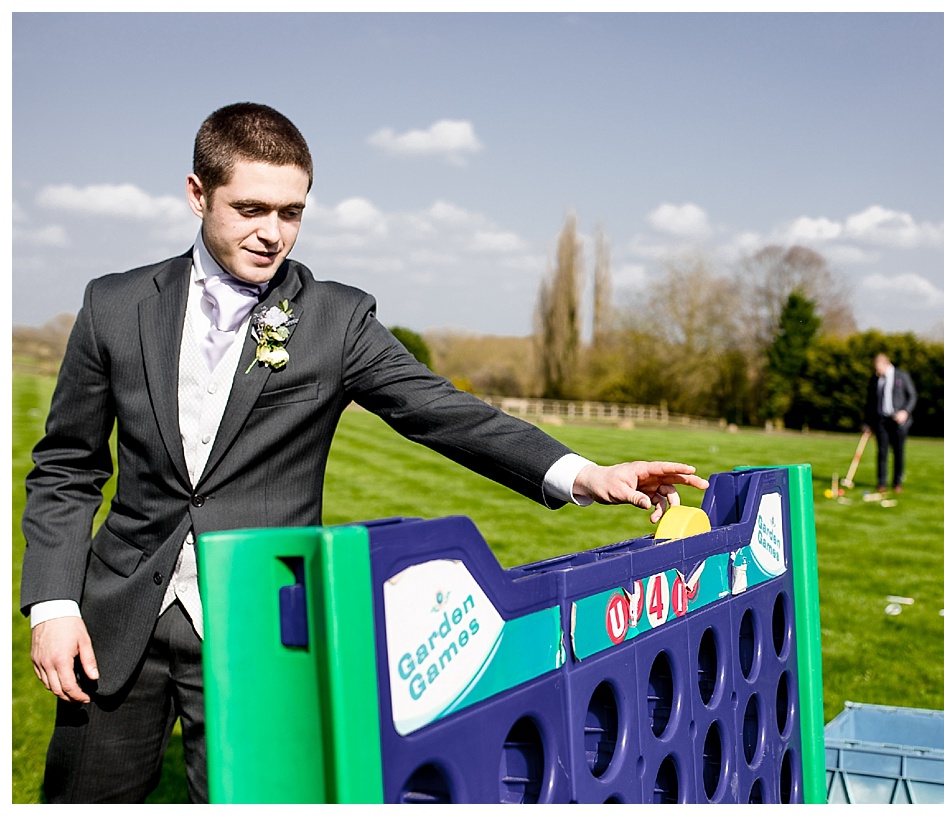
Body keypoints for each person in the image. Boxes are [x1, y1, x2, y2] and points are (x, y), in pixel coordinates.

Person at [19, 103, 707, 804]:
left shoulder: (336, 318)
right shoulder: (114, 305)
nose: (271, 233)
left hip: (263, 625)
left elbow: (443, 411)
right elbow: (66, 467)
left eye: (291, 213)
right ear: (197, 194)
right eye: (251, 208)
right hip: (113, 618)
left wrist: (584, 473)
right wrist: (52, 604)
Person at [865, 352, 916, 494]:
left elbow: (912, 396)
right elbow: (870, 403)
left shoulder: (902, 376)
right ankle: (881, 483)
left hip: (898, 421)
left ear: (886, 364)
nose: (877, 371)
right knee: (882, 452)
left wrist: (905, 412)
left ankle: (897, 483)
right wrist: (867, 423)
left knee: (898, 452)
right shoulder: (875, 380)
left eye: (878, 368)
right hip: (881, 421)